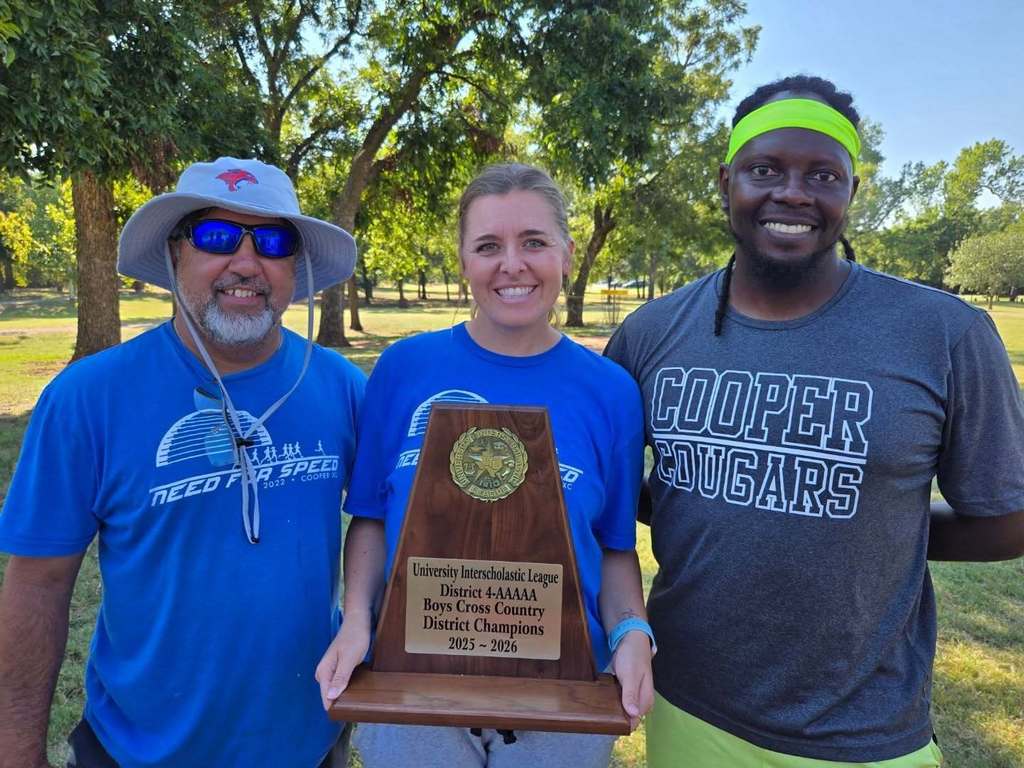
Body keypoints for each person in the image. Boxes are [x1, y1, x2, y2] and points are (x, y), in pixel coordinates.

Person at [605, 75, 1024, 768]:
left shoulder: (944, 333)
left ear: (852, 192)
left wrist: (886, 535)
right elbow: (612, 491)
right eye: (765, 169)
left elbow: (1007, 519)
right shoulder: (651, 332)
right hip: (687, 703)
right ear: (726, 181)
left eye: (823, 174)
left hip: (866, 730)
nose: (793, 193)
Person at [0, 157, 366, 768]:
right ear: (174, 254)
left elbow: (396, 525)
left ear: (294, 267)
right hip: (135, 751)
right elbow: (37, 586)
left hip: (307, 745)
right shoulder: (89, 397)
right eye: (216, 236)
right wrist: (15, 755)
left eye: (273, 242)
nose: (246, 263)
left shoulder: (343, 389)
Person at [315, 163, 654, 767]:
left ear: (568, 255)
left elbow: (615, 547)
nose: (512, 265)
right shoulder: (404, 369)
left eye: (534, 242)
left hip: (561, 694)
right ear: (464, 260)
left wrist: (631, 635)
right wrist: (357, 622)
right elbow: (367, 517)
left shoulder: (611, 391)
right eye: (488, 246)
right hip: (413, 684)